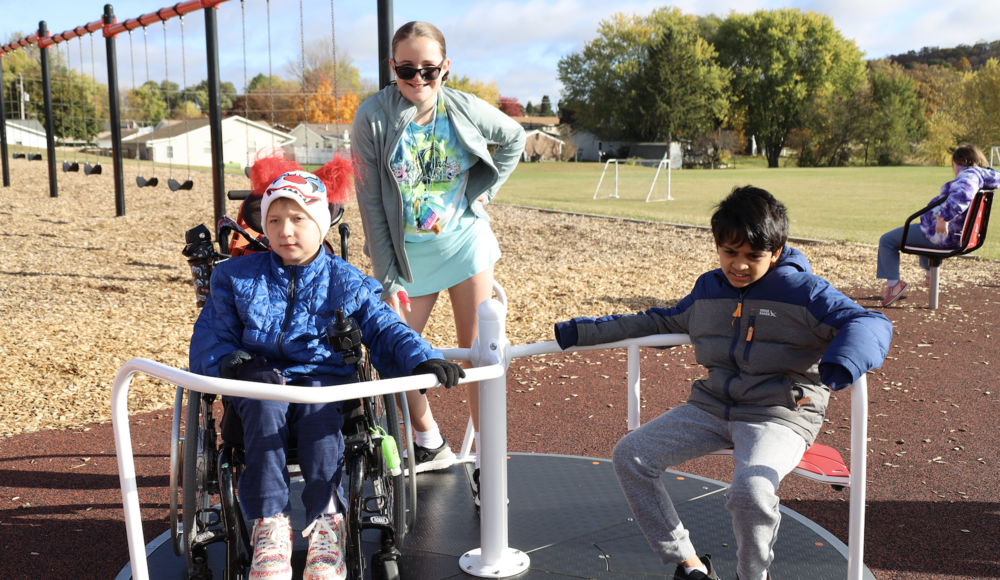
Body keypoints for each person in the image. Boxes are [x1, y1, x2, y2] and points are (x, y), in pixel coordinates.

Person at [552, 186, 892, 580]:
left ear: (777, 252)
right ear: (718, 247)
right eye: (730, 253)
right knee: (630, 455)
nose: (740, 265)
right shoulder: (709, 290)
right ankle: (689, 563)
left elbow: (869, 321)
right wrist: (581, 331)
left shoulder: (805, 292)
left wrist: (843, 360)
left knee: (751, 491)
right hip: (713, 405)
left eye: (753, 256)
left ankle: (751, 576)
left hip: (779, 414)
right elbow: (657, 321)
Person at [189, 152, 465, 580]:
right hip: (259, 378)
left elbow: (383, 326)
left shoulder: (346, 280)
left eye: (298, 219)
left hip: (323, 383)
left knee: (322, 424)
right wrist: (227, 359)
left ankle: (326, 527)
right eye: (275, 220)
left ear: (320, 224)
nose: (285, 231)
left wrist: (421, 356)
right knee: (263, 404)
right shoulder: (236, 278)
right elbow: (211, 333)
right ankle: (271, 529)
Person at [351, 21, 526, 496]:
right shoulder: (372, 117)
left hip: (466, 244)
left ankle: (487, 461)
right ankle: (429, 440)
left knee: (477, 353)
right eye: (407, 70)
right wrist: (388, 277)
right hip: (409, 258)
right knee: (393, 355)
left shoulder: (462, 106)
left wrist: (480, 189)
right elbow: (369, 204)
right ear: (393, 68)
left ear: (445, 67)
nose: (419, 80)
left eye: (429, 70)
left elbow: (513, 138)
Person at [877, 143, 1000, 306]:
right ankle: (929, 274)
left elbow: (963, 194)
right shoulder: (983, 176)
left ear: (960, 162)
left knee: (887, 241)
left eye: (953, 165)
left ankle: (894, 286)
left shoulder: (969, 175)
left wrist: (944, 218)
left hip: (943, 236)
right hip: (951, 235)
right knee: (918, 232)